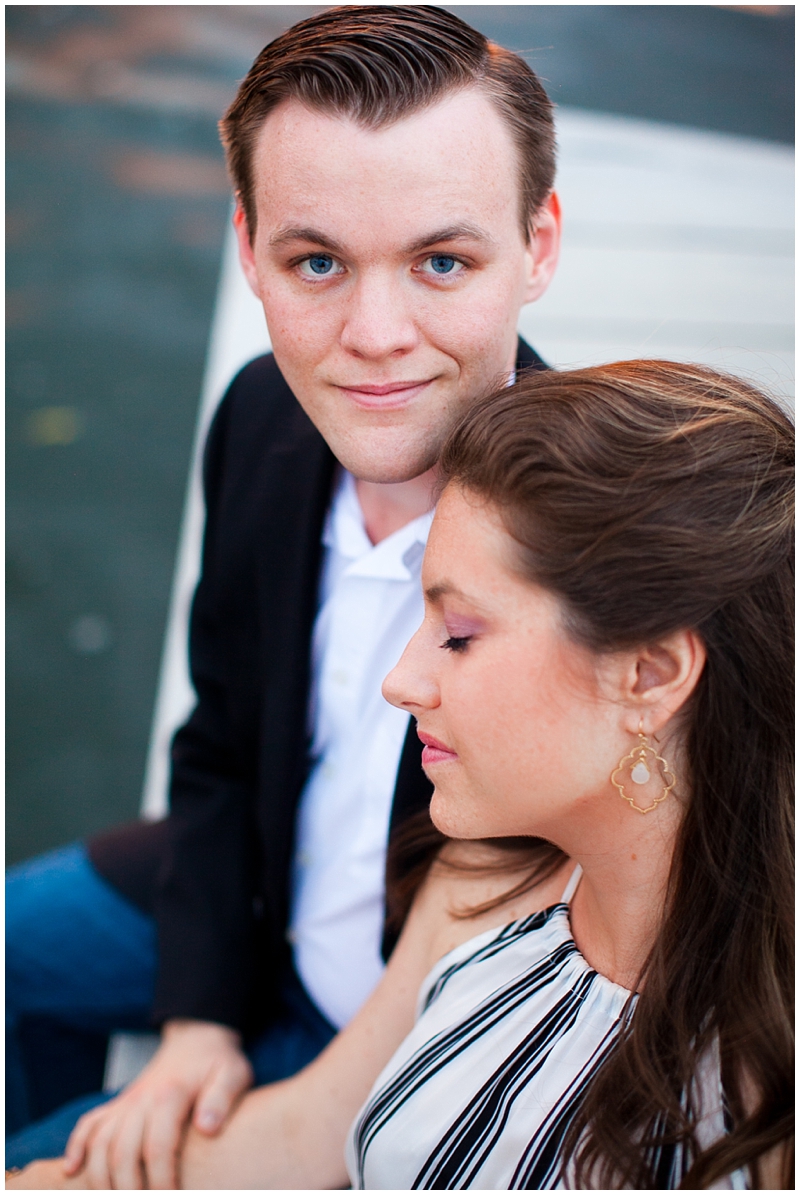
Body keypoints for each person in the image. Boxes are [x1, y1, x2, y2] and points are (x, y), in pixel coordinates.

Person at [5, 5, 562, 1184]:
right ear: (248, 246)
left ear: (540, 244)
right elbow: (215, 741)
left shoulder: (591, 534)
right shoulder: (261, 414)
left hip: (403, 1013)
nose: (372, 338)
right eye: (316, 261)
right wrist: (196, 1017)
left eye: (441, 262)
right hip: (250, 889)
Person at [9, 359, 793, 1190]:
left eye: (457, 632)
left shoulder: (770, 1091)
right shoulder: (487, 870)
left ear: (649, 674)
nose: (401, 680)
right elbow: (307, 1131)